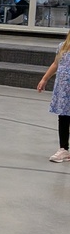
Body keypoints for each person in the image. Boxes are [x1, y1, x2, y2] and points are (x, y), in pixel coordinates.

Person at [37, 29, 70, 162]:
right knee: (63, 117)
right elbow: (56, 64)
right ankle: (63, 149)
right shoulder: (62, 47)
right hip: (63, 90)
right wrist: (45, 79)